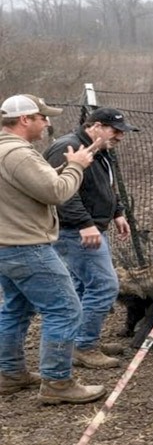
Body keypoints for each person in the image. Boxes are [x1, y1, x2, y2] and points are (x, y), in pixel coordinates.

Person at [0, 94, 106, 404]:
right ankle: (57, 383)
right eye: (42, 117)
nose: (47, 122)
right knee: (64, 309)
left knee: (16, 308)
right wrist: (76, 167)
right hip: (26, 245)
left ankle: (10, 374)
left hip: (5, 244)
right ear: (25, 120)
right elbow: (56, 192)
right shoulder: (19, 154)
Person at [44, 107, 142, 370]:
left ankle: (77, 340)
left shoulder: (100, 150)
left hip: (91, 227)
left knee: (82, 286)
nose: (120, 136)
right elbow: (60, 191)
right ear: (95, 126)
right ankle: (84, 346)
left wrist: (118, 211)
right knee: (104, 286)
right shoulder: (67, 147)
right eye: (116, 130)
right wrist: (85, 224)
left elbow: (105, 186)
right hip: (75, 231)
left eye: (123, 132)